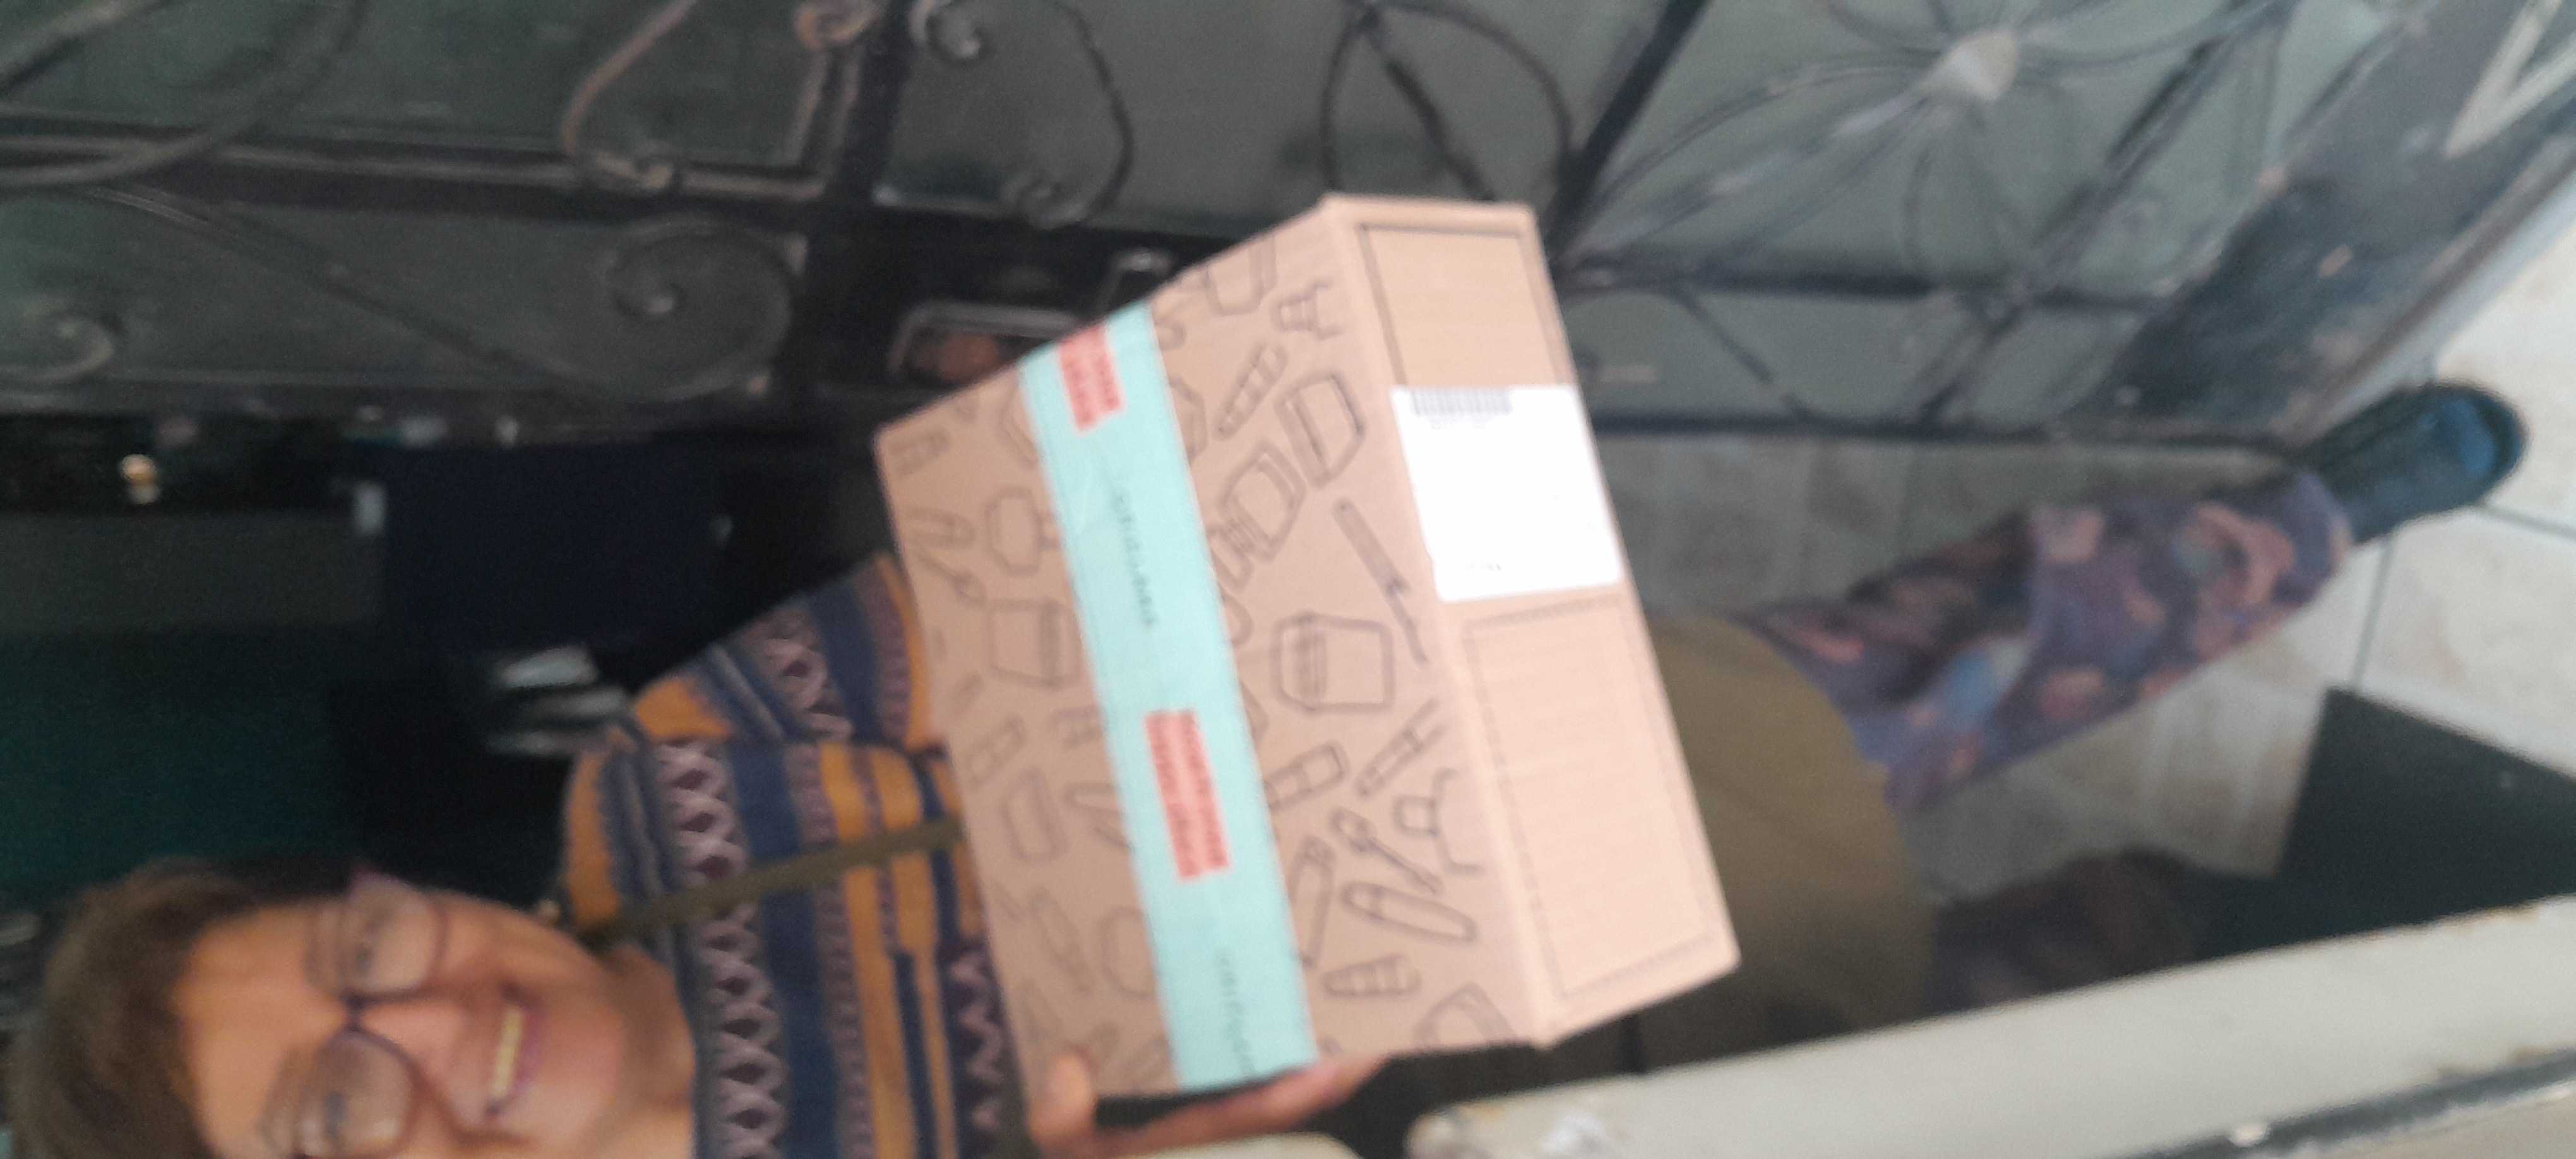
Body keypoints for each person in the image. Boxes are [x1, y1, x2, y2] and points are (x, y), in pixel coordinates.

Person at [7, 384, 2522, 1159]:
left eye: (360, 950)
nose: (430, 1024)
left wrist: (1151, 648)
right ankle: (2192, 929)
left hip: (1507, 825)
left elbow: (1021, 605)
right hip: (1574, 1118)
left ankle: (2299, 523)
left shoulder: (674, 791)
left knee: (1933, 678)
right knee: (2013, 1038)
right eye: (333, 1109)